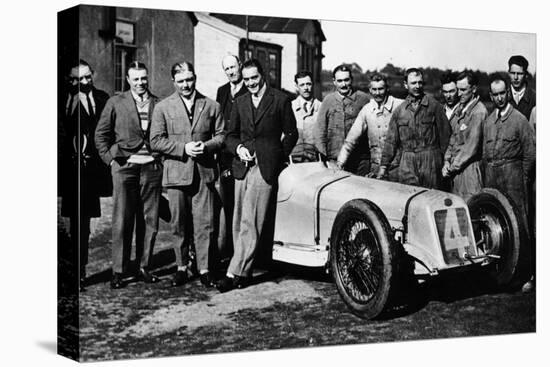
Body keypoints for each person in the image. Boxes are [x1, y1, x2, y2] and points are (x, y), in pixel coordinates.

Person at [217, 59, 298, 292]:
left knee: (250, 220)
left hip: (265, 169)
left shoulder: (280, 100)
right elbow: (230, 135)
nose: (251, 83)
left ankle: (234, 272)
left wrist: (276, 157)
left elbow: (291, 133)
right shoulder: (240, 102)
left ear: (262, 76)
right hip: (242, 167)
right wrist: (238, 148)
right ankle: (244, 269)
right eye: (247, 79)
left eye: (254, 77)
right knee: (238, 219)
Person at [150, 62, 225, 288]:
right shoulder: (163, 107)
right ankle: (182, 267)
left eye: (189, 79)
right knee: (178, 223)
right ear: (174, 81)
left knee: (205, 224)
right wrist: (183, 148)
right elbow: (155, 140)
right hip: (176, 173)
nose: (186, 85)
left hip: (203, 173)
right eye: (181, 81)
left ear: (195, 78)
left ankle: (204, 269)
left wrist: (207, 146)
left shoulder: (211, 105)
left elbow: (222, 136)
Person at [95, 61, 163, 289]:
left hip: (151, 169)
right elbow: (101, 135)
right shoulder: (116, 102)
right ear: (128, 80)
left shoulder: (158, 103)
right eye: (136, 79)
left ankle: (144, 266)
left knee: (149, 220)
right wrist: (111, 161)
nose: (141, 83)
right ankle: (119, 271)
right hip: (125, 168)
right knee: (122, 220)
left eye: (144, 78)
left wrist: (159, 161)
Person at [60, 59, 110, 292]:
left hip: (91, 173)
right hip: (68, 171)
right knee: (72, 224)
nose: (83, 83)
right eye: (77, 79)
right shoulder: (60, 100)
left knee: (84, 223)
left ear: (93, 75)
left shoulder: (102, 99)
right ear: (69, 81)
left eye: (86, 77)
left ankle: (80, 272)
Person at [482, 73, 535, 282]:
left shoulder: (519, 120)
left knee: (520, 225)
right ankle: (502, 272)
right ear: (491, 96)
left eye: (503, 93)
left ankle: (526, 275)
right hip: (493, 178)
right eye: (495, 95)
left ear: (507, 94)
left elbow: (530, 153)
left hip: (513, 178)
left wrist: (522, 177)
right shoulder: (488, 121)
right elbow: (484, 155)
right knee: (497, 225)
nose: (499, 98)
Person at [377, 68, 450, 189]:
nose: (417, 86)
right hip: (407, 162)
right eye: (413, 83)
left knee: (431, 198)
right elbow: (391, 142)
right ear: (406, 85)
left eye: (420, 82)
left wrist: (446, 162)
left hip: (431, 161)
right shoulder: (399, 111)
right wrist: (383, 167)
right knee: (409, 198)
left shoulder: (434, 106)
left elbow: (445, 138)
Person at [336, 73, 403, 179]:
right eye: (374, 89)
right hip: (376, 167)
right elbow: (351, 140)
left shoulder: (399, 106)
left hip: (398, 167)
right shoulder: (367, 110)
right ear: (370, 90)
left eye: (381, 89)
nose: (377, 93)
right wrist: (340, 163)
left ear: (387, 89)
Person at [215, 55, 248, 262]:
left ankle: (243, 251)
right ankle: (228, 251)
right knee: (227, 203)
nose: (230, 72)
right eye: (226, 68)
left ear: (240, 66)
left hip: (243, 153)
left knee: (243, 204)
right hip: (225, 155)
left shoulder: (249, 90)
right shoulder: (222, 91)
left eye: (233, 67)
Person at [314, 64, 370, 174]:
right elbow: (320, 130)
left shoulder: (363, 99)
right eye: (339, 81)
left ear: (351, 80)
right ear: (334, 82)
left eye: (346, 80)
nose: (343, 84)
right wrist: (324, 157)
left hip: (359, 160)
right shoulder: (328, 100)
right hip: (334, 159)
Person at [442, 71, 488, 200]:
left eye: (463, 90)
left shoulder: (478, 112)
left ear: (473, 89)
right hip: (456, 171)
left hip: (470, 171)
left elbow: (471, 147)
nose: (459, 93)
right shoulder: (460, 110)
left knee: (471, 208)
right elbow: (453, 139)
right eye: (458, 90)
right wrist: (446, 161)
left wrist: (451, 166)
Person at [291, 70, 322, 156]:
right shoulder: (290, 107)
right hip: (294, 158)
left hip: (316, 158)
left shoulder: (321, 107)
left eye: (308, 84)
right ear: (296, 87)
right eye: (302, 85)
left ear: (313, 84)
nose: (306, 88)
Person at [507, 55, 536, 119]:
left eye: (519, 74)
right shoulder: (502, 96)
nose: (515, 77)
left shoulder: (534, 98)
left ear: (526, 75)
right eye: (512, 73)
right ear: (508, 73)